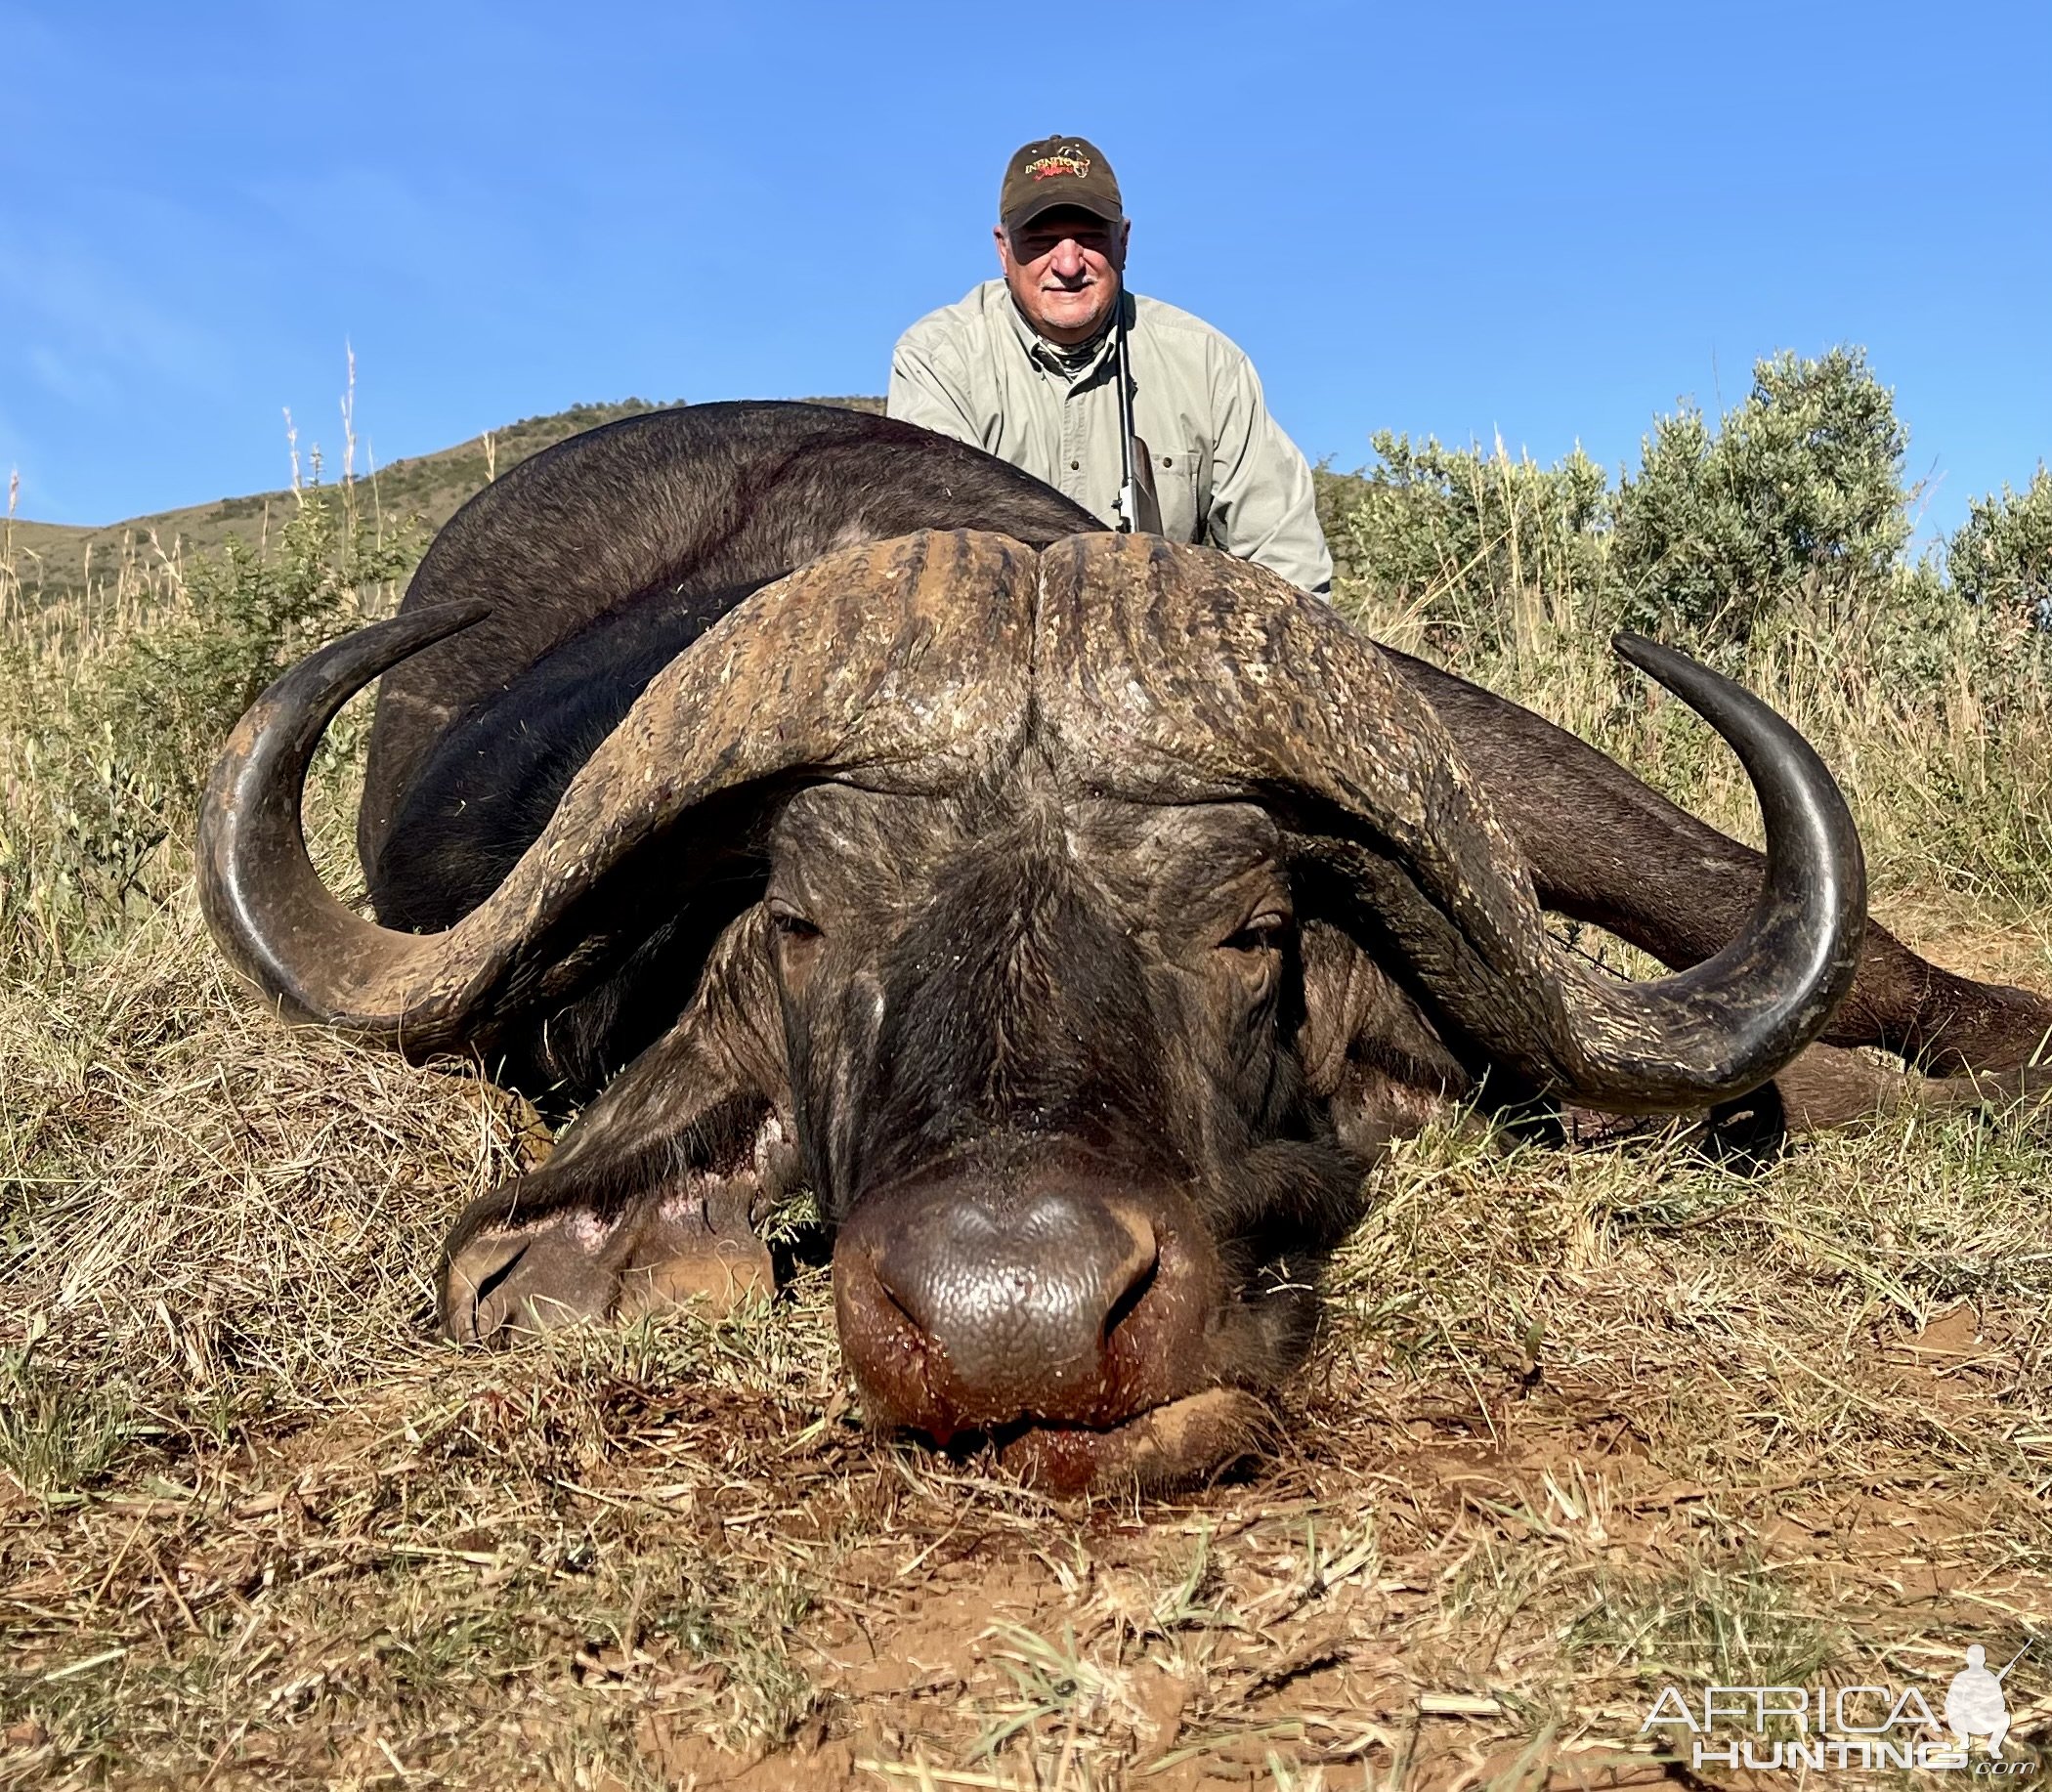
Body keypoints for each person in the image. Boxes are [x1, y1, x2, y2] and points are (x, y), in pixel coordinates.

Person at [888, 135, 1334, 597]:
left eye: (1089, 238)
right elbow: (931, 556)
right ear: (1003, 250)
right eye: (1041, 241)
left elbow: (1287, 563)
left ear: (1123, 241)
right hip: (995, 636)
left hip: (1166, 644)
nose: (1067, 263)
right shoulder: (939, 359)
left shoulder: (1209, 367)